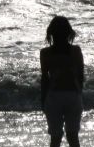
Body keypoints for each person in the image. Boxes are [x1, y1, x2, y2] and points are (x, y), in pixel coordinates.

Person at [40, 16, 84, 147]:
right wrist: (78, 95)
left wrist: (43, 101)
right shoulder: (76, 51)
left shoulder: (45, 53)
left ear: (51, 33)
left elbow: (44, 79)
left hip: (54, 97)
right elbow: (80, 76)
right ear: (68, 33)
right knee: (73, 137)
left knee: (55, 138)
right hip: (73, 95)